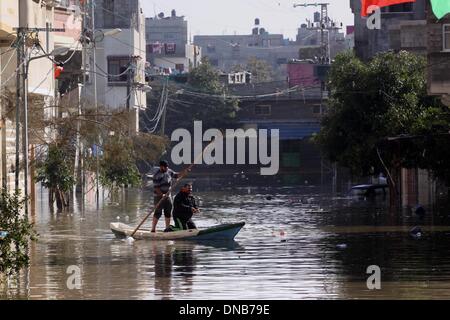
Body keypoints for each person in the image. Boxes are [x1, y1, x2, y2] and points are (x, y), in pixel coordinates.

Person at [152, 160, 179, 233]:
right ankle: (153, 229)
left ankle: (167, 228)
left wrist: (185, 172)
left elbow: (176, 175)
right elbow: (156, 188)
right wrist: (162, 195)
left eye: (167, 167)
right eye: (165, 167)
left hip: (168, 196)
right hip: (158, 196)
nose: (167, 168)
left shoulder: (169, 171)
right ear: (161, 167)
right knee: (158, 212)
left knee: (168, 211)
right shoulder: (156, 175)